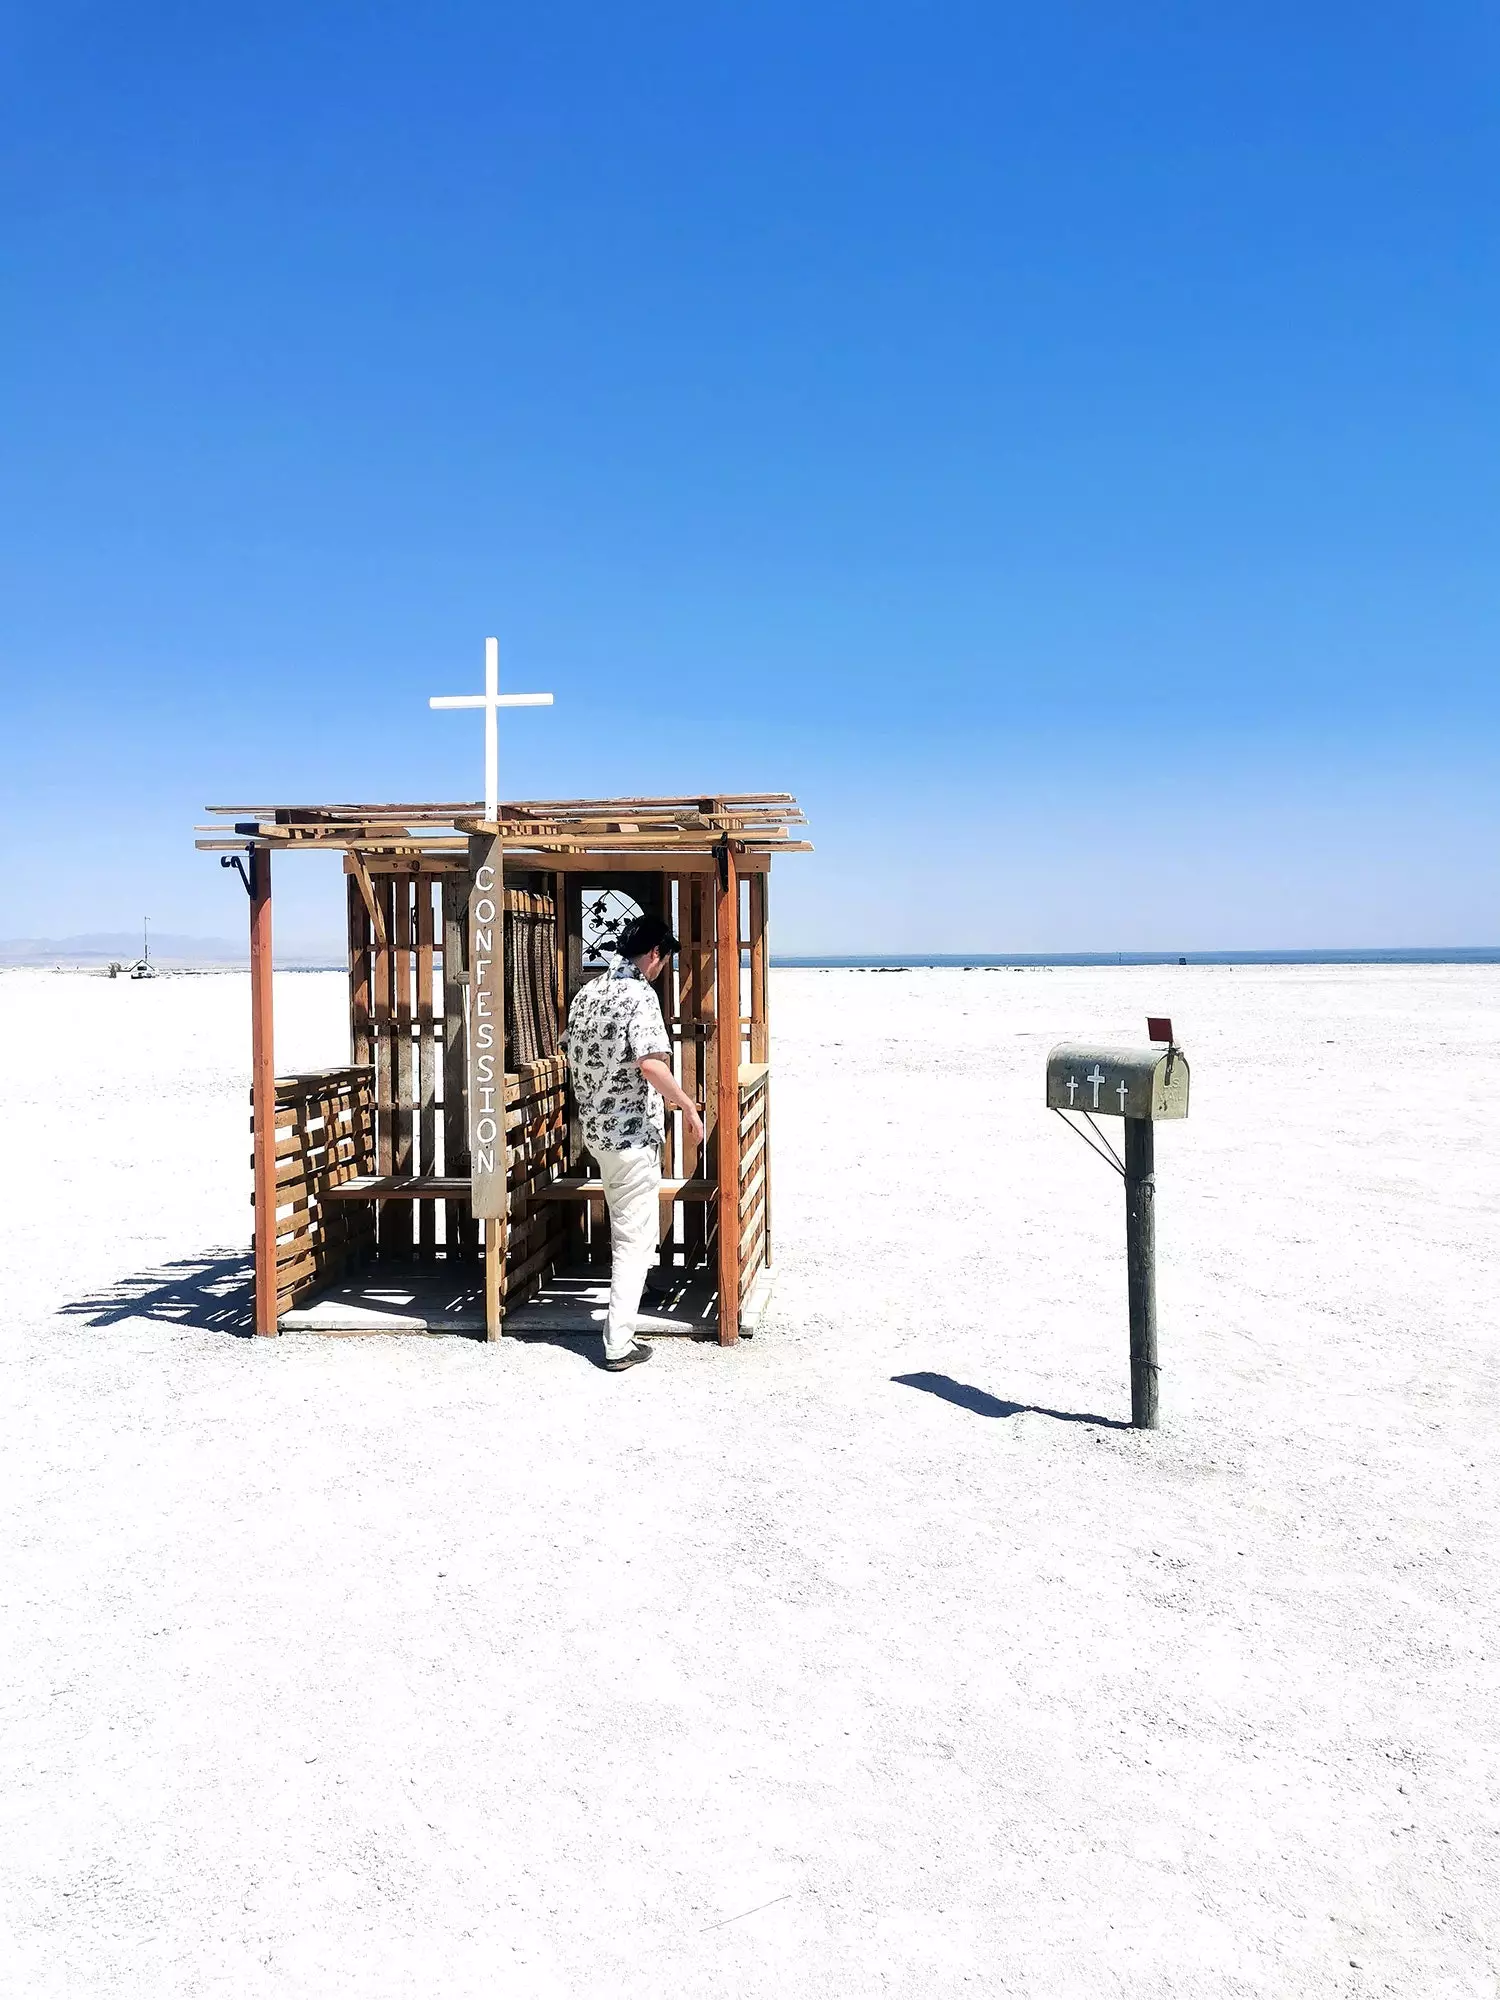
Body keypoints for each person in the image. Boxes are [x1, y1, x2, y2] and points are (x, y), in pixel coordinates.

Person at [564, 913, 705, 1371]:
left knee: (629, 1227)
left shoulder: (588, 993)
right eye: (664, 959)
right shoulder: (639, 995)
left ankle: (638, 1292)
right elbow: (650, 1064)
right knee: (632, 1238)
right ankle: (618, 1343)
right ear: (655, 953)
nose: (662, 969)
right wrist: (685, 1104)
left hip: (598, 1132)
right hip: (630, 1136)